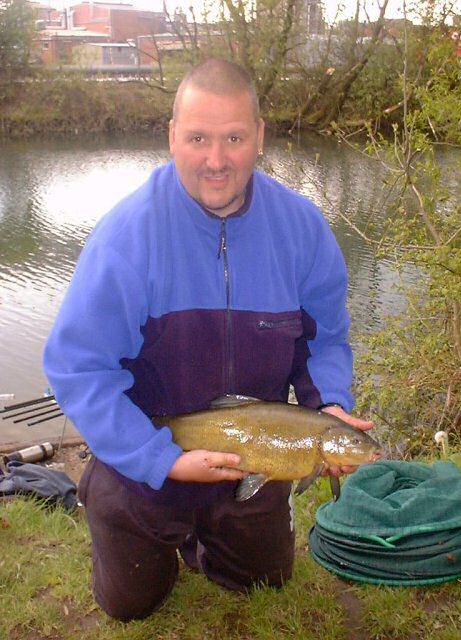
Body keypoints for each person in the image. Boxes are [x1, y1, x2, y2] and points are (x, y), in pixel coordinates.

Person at [43, 58, 373, 622]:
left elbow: (326, 340)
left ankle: (211, 540)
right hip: (149, 456)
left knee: (261, 584)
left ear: (260, 137)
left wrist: (330, 405)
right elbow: (79, 369)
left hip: (255, 450)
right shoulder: (127, 236)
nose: (216, 161)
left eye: (234, 138)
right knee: (130, 603)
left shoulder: (302, 229)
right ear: (172, 136)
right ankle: (133, 524)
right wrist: (160, 458)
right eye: (198, 138)